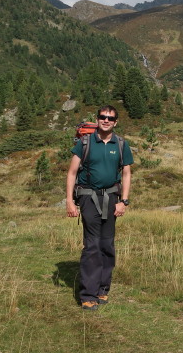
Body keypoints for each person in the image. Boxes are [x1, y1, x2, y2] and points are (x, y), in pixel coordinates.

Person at [65, 105, 134, 311]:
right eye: (102, 117)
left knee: (107, 245)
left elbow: (127, 174)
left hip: (112, 198)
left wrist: (124, 201)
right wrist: (69, 201)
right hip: (88, 198)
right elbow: (71, 172)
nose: (106, 120)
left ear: (115, 122)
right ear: (97, 120)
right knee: (92, 245)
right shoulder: (85, 143)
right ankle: (88, 294)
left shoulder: (121, 144)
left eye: (110, 118)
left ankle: (103, 289)